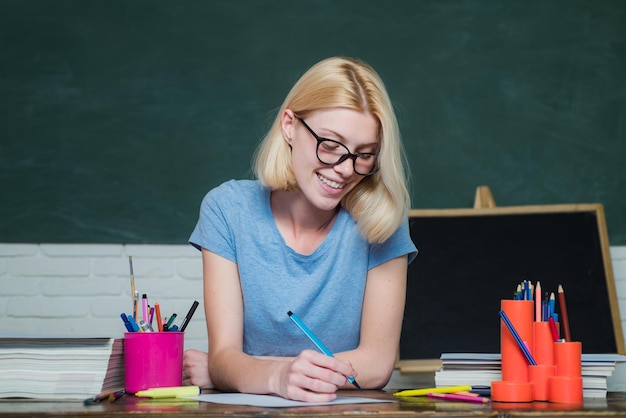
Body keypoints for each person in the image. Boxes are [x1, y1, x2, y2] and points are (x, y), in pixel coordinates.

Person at [183, 56, 417, 402]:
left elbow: (377, 365)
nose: (344, 170)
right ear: (290, 125)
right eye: (332, 145)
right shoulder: (227, 209)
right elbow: (224, 357)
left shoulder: (382, 221)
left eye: (364, 154)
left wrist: (252, 370)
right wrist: (269, 374)